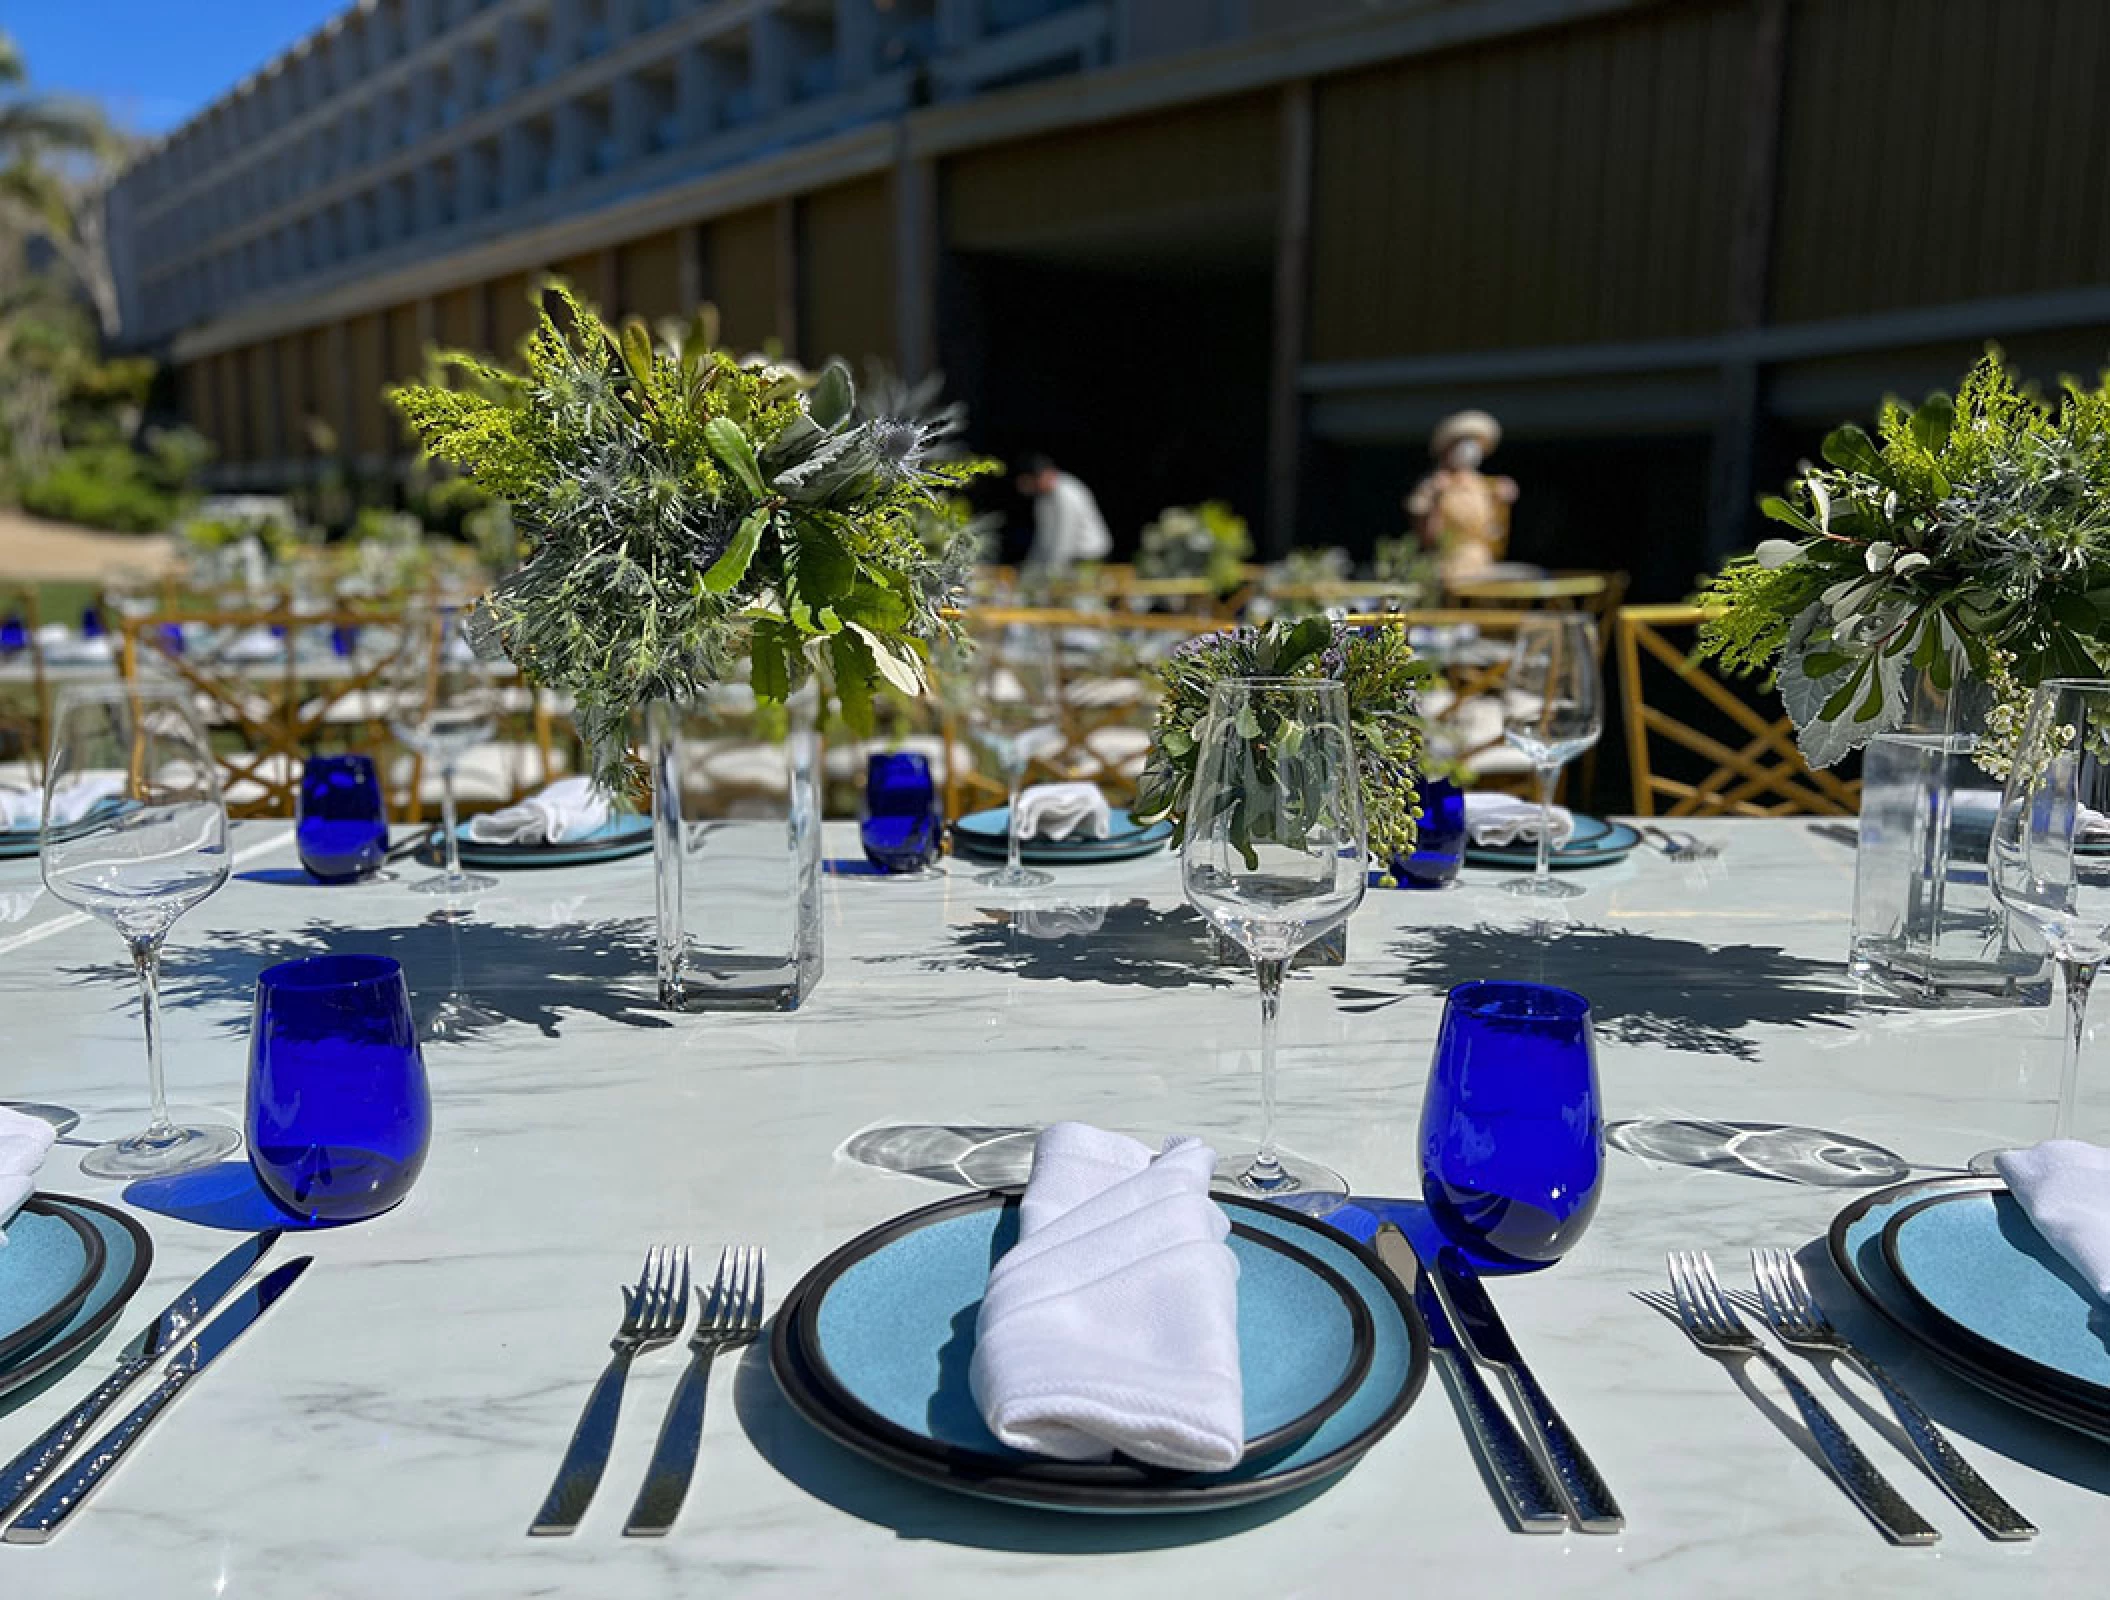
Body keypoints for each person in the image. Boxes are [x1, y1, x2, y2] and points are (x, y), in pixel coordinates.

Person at [1406, 410, 1518, 585]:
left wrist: (1500, 502)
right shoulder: (1432, 487)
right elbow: (1427, 539)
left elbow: (1495, 535)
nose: (1469, 448)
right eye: (1462, 441)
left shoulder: (1487, 486)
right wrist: (1436, 501)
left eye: (1475, 442)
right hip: (1447, 571)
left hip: (1483, 567)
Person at [1016, 454, 1112, 572]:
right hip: (1066, 557)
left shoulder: (1066, 493)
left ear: (1045, 474)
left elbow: (1066, 536)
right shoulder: (1042, 498)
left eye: (1028, 481)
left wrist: (1051, 569)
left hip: (1088, 555)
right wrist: (1031, 567)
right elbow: (1042, 537)